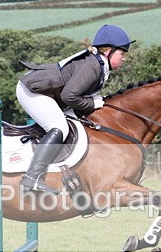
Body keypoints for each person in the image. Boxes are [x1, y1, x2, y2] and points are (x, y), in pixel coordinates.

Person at [16, 24, 134, 194]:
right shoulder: (93, 66)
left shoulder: (99, 65)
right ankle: (31, 178)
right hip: (32, 90)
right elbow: (68, 97)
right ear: (108, 52)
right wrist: (93, 104)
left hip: (48, 93)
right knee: (59, 128)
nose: (124, 58)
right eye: (122, 53)